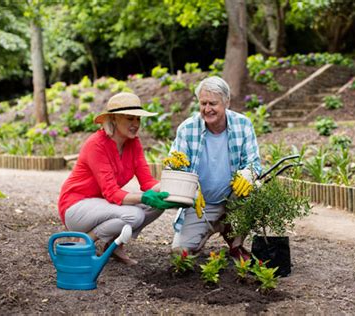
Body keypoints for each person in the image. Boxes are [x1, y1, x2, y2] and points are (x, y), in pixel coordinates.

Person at [58, 92, 183, 265]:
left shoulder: (134, 143)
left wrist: (174, 191)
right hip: (76, 207)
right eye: (130, 119)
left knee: (155, 206)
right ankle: (86, 240)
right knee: (135, 215)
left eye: (137, 119)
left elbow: (147, 182)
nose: (135, 124)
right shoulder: (96, 144)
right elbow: (111, 192)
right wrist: (145, 197)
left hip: (102, 207)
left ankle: (114, 245)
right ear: (114, 119)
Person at [170, 76, 262, 260]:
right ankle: (208, 229)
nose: (207, 109)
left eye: (213, 103)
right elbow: (176, 169)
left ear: (227, 102)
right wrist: (192, 191)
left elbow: (254, 163)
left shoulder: (243, 125)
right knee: (180, 253)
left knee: (258, 192)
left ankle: (236, 243)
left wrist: (247, 174)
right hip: (201, 206)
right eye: (203, 103)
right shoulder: (187, 129)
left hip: (233, 200)